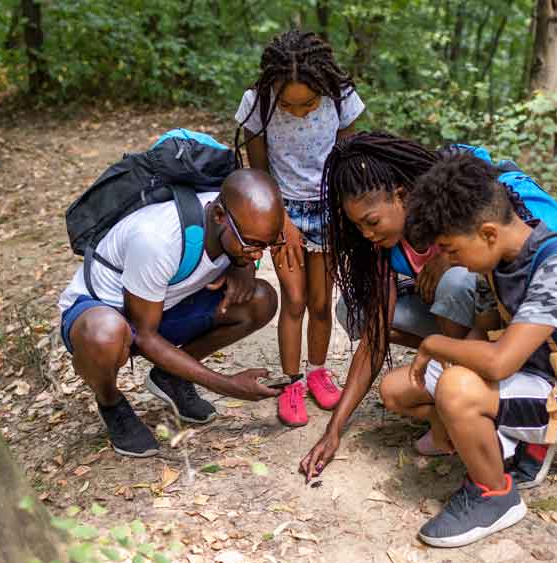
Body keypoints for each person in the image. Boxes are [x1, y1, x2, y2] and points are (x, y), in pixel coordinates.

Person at [379, 153, 557, 547]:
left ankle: (495, 494)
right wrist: (446, 412)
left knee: (455, 389)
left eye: (450, 249)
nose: (448, 260)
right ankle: (506, 440)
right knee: (399, 388)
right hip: (526, 378)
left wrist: (435, 347)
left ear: (487, 233)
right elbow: (480, 339)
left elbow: (500, 362)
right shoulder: (496, 262)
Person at [58, 169, 285, 458]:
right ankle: (110, 402)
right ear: (217, 216)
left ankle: (169, 377)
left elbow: (248, 249)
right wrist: (227, 385)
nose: (258, 254)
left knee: (260, 300)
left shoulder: (237, 224)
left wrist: (243, 266)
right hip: (101, 315)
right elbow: (144, 336)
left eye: (267, 244)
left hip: (160, 307)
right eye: (252, 244)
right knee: (106, 334)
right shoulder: (158, 239)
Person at [299, 132, 481, 481]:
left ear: (403, 196)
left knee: (454, 282)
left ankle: (464, 395)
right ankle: (449, 393)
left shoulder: (456, 211)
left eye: (371, 221)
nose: (366, 233)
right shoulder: (386, 248)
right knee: (387, 382)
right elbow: (375, 337)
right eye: (357, 226)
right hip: (451, 327)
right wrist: (334, 429)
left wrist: (451, 259)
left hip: (491, 331)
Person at [234, 29, 365, 427]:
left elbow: (348, 159)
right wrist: (281, 222)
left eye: (308, 104)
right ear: (274, 89)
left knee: (321, 302)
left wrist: (345, 211)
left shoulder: (339, 95)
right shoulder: (258, 102)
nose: (300, 112)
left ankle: (318, 372)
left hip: (329, 209)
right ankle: (292, 382)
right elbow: (258, 173)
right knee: (293, 300)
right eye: (289, 106)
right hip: (281, 209)